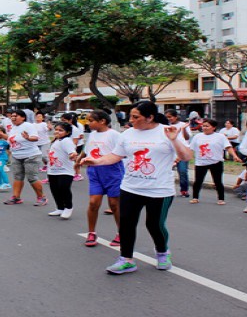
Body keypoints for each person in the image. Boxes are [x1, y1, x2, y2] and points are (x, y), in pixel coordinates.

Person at [81, 101, 192, 275]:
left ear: (150, 117)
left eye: (135, 117)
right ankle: (126, 259)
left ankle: (162, 252)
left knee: (154, 224)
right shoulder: (127, 134)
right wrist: (96, 161)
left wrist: (174, 140)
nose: (131, 120)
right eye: (131, 116)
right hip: (130, 187)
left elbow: (186, 156)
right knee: (126, 224)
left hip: (159, 190)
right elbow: (115, 156)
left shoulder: (167, 132)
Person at [80, 110, 124, 247]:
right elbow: (87, 151)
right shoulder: (92, 135)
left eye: (91, 120)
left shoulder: (115, 135)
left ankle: (121, 233)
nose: (88, 123)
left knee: (114, 204)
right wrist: (78, 159)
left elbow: (122, 154)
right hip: (94, 171)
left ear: (102, 121)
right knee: (93, 202)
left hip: (112, 171)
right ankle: (91, 232)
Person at [0, 109, 48, 206]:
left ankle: (41, 197)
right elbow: (11, 139)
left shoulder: (28, 126)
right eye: (12, 116)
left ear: (23, 117)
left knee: (32, 177)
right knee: (18, 177)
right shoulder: (13, 128)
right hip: (16, 155)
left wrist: (28, 138)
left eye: (16, 116)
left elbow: (35, 138)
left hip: (31, 155)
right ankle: (16, 197)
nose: (13, 118)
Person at [189, 118, 241, 205]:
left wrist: (235, 156)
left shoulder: (220, 136)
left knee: (217, 181)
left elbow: (228, 147)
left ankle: (221, 198)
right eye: (203, 126)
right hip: (201, 162)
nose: (204, 128)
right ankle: (195, 197)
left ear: (213, 127)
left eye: (207, 126)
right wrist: (186, 157)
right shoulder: (197, 136)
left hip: (216, 162)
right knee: (198, 181)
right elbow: (191, 149)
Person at [46, 122, 78, 219]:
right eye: (56, 129)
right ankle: (60, 207)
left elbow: (72, 151)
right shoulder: (56, 140)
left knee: (64, 188)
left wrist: (73, 155)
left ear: (67, 132)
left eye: (61, 130)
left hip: (65, 170)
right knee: (55, 189)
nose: (57, 132)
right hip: (53, 170)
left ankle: (68, 207)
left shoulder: (66, 141)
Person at [165, 109, 191, 197]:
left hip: (182, 151)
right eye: (167, 117)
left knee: (182, 171)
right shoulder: (165, 126)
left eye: (170, 117)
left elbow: (187, 138)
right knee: (166, 171)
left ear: (175, 117)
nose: (169, 119)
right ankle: (166, 189)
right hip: (169, 152)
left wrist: (183, 129)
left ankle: (184, 190)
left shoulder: (183, 125)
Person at [61, 113, 85, 181]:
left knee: (75, 160)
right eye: (62, 120)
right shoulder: (65, 128)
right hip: (67, 147)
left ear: (70, 120)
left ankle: (78, 174)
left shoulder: (74, 129)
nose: (63, 122)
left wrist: (72, 150)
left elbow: (75, 141)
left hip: (76, 146)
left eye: (64, 120)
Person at [34, 111, 52, 178]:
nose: (38, 117)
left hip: (45, 142)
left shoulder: (43, 124)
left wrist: (50, 127)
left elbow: (49, 129)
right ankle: (45, 165)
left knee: (44, 156)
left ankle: (51, 166)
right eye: (37, 116)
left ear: (43, 118)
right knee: (38, 156)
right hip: (36, 143)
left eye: (40, 116)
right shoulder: (33, 124)